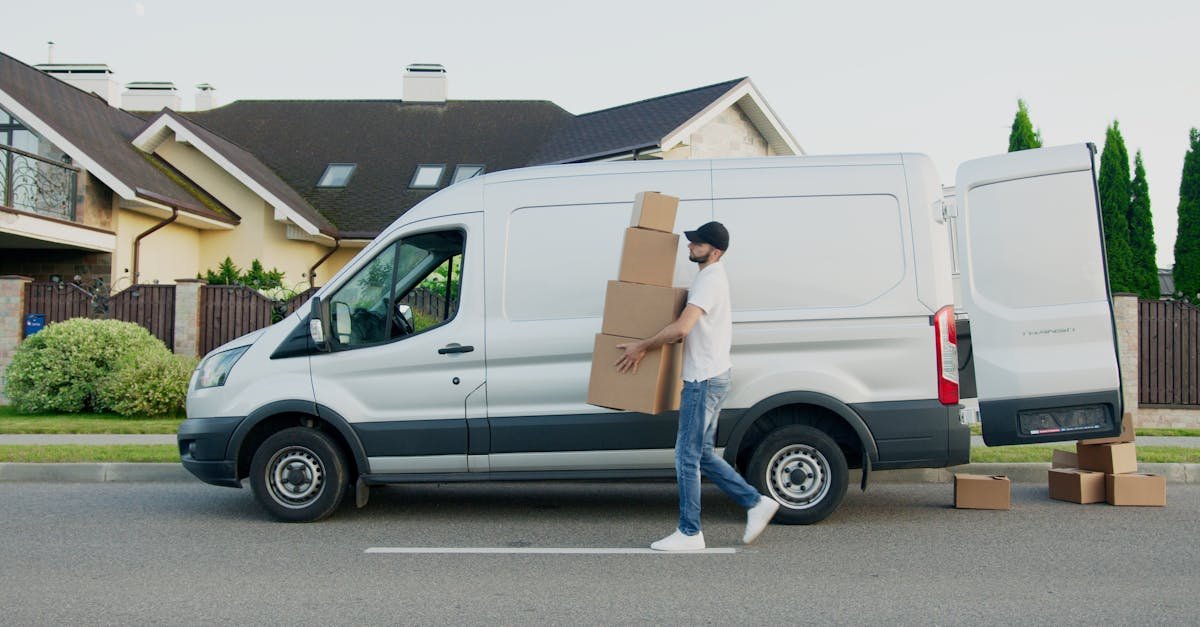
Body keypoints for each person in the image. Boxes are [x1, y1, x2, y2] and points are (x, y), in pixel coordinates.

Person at [614, 221, 779, 551]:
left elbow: (681, 329)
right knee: (701, 453)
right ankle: (755, 502)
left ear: (714, 251)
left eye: (697, 244)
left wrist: (641, 346)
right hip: (715, 375)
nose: (690, 246)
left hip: (703, 380)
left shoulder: (710, 279)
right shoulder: (711, 276)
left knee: (685, 456)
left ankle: (690, 532)